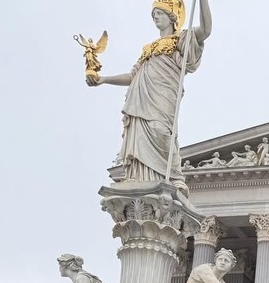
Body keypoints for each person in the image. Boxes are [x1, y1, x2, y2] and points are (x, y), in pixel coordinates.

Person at [87, 0, 212, 186]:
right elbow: (132, 76)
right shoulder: (148, 49)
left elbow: (206, 30)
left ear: (171, 17)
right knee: (139, 137)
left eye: (159, 14)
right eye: (153, 15)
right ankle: (140, 180)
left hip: (163, 95)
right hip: (141, 99)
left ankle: (174, 177)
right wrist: (104, 79)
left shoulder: (182, 39)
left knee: (160, 131)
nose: (155, 18)